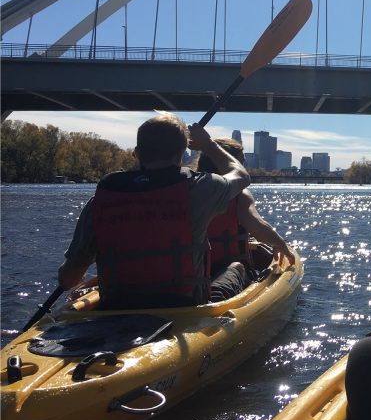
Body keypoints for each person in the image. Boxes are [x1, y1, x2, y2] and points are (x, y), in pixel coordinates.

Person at [57, 113, 251, 309]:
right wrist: (208, 144)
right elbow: (241, 176)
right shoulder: (198, 189)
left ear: (137, 153)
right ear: (181, 154)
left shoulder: (101, 200)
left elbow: (67, 281)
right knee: (236, 268)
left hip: (117, 307)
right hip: (184, 308)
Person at [196, 137, 295, 282]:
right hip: (229, 271)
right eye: (240, 162)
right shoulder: (240, 194)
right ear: (229, 164)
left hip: (194, 272)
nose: (243, 166)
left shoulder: (188, 190)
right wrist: (281, 244)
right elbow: (258, 228)